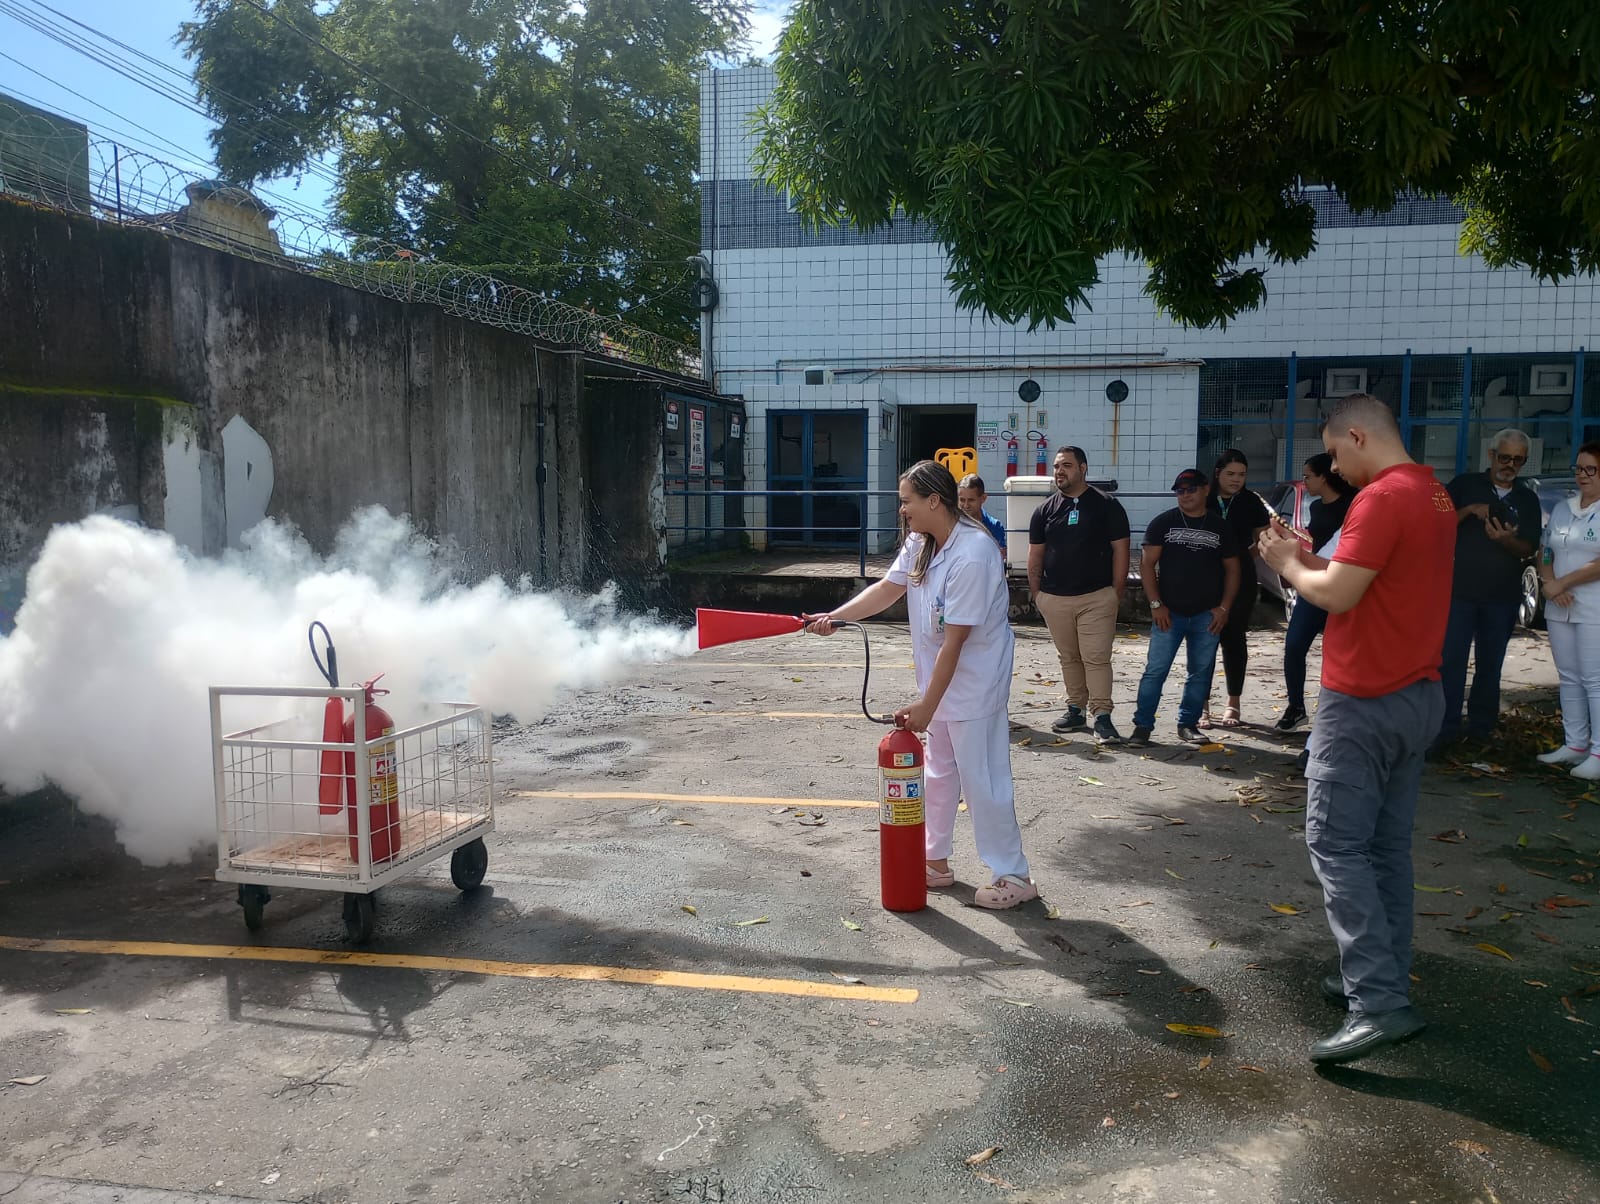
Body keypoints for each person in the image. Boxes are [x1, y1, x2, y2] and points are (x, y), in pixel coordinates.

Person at [1258, 393, 1455, 1065]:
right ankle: (1378, 977)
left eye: (1335, 453)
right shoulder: (1432, 494)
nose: (1335, 468)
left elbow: (1338, 594)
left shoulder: (1381, 498)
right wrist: (1303, 556)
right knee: (1384, 849)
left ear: (1358, 435)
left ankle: (1377, 1002)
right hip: (1417, 694)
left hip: (1364, 700)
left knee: (1338, 846)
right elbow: (1363, 578)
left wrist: (1287, 565)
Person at [803, 460, 1037, 910]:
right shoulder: (921, 541)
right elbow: (887, 589)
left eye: (907, 501)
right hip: (940, 682)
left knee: (983, 779)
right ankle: (935, 860)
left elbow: (956, 640)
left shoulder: (973, 554)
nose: (902, 509)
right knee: (940, 773)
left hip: (974, 685)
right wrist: (835, 617)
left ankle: (1013, 874)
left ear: (933, 500)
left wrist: (927, 706)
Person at [1433, 429, 1542, 752]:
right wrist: (1470, 510)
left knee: (1490, 666)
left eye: (1518, 460)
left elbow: (1529, 547)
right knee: (1450, 662)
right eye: (1505, 457)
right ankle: (1445, 729)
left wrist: (1506, 540)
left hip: (1502, 597)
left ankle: (1481, 729)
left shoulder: (1527, 498)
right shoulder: (1465, 485)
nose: (1510, 465)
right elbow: (1436, 525)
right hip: (1459, 593)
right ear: (1491, 455)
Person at [1127, 469, 1240, 747]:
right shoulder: (1163, 523)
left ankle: (1188, 724)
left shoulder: (1220, 527)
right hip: (1169, 614)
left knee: (1200, 673)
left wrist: (1224, 608)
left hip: (1207, 615)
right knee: (1156, 671)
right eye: (1180, 490)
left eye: (1191, 489)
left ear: (1205, 490)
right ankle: (1142, 727)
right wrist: (1156, 605)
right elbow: (1146, 565)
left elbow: (1233, 570)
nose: (1185, 495)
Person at [1027, 445, 1132, 745]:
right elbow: (1035, 555)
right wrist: (1038, 595)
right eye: (1057, 466)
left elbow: (1121, 550)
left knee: (1096, 658)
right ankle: (1075, 710)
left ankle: (1102, 717)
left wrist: (1116, 592)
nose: (1059, 471)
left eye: (1067, 466)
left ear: (1083, 469)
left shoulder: (1107, 505)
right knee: (1069, 657)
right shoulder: (1044, 510)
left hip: (1097, 597)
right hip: (1054, 598)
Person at [1276, 454, 1358, 732]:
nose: (1305, 481)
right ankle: (1296, 707)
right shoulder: (1317, 507)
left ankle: (1335, 714)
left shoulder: (1354, 505)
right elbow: (1317, 545)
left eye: (1308, 476)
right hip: (1315, 581)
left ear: (1325, 477)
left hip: (1344, 584)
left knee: (1338, 653)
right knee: (1294, 645)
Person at [1535, 442, 1600, 778]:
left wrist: (1563, 583)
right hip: (1559, 605)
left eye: (1591, 469)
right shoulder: (1563, 508)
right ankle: (1575, 744)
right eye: (1578, 468)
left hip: (1593, 607)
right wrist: (1549, 582)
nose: (1582, 475)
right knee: (1569, 676)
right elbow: (1546, 549)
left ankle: (1598, 753)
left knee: (1594, 679)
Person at [1203, 449, 1272, 728]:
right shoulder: (1204, 497)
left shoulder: (1251, 501)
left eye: (1241, 475)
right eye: (1230, 474)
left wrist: (1241, 557)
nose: (1236, 480)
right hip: (1206, 580)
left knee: (1234, 640)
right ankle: (1202, 705)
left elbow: (1264, 537)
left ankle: (1233, 703)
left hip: (1242, 580)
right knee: (1204, 641)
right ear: (1218, 473)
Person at [957, 473, 1007, 555]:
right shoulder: (950, 525)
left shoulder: (995, 527)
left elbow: (1000, 557)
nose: (966, 505)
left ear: (983, 498)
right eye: (962, 500)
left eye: (971, 500)